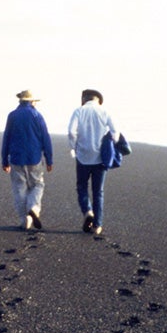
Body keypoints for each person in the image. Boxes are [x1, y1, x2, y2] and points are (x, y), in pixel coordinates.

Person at [1, 89, 54, 230]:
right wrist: (49, 159)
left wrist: (4, 160)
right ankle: (34, 209)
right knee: (37, 185)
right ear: (32, 101)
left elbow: (6, 138)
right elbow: (45, 138)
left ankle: (24, 221)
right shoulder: (37, 115)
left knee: (19, 188)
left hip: (16, 157)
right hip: (34, 157)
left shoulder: (12, 115)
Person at [68, 89, 118, 235]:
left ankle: (87, 210)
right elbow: (115, 132)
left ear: (84, 99)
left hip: (83, 156)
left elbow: (71, 131)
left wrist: (74, 146)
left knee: (82, 186)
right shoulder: (105, 112)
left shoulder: (79, 111)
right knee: (98, 191)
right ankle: (98, 225)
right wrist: (111, 145)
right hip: (101, 158)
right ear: (98, 100)